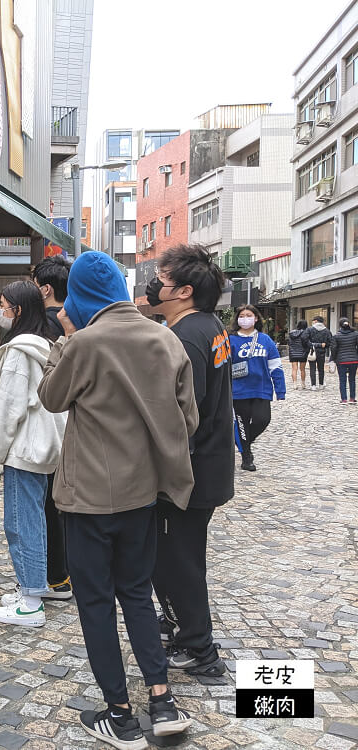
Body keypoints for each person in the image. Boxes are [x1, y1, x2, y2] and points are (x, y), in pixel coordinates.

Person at [38, 251, 197, 748]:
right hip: (143, 495)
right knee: (136, 593)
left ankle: (120, 715)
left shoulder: (84, 343)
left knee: (95, 602)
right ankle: (162, 699)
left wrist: (62, 342)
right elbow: (187, 419)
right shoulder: (165, 338)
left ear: (82, 295)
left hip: (88, 498)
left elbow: (51, 397)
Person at [146, 244, 233, 678]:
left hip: (190, 473)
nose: (153, 287)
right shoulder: (209, 326)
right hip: (207, 466)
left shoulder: (187, 338)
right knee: (174, 555)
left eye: (160, 281)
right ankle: (178, 625)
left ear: (182, 292)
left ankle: (200, 649)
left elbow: (183, 414)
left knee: (178, 559)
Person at [0, 281, 66, 627]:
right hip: (43, 447)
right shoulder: (44, 346)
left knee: (21, 522)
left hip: (23, 449)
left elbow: (7, 409)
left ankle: (30, 601)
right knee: (35, 519)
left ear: (17, 310)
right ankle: (31, 586)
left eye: (3, 305)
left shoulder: (18, 351)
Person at [30, 254, 73, 599]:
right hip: (70, 426)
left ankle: (56, 577)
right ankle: (64, 573)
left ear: (44, 289)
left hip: (47, 423)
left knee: (46, 505)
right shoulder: (75, 323)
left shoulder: (42, 326)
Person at [229, 304, 285, 472]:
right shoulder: (230, 339)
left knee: (262, 420)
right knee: (242, 424)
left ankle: (242, 442)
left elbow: (275, 366)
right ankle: (246, 456)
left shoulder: (265, 340)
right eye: (242, 315)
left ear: (256, 319)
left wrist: (280, 389)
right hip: (238, 390)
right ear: (237, 318)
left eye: (249, 315)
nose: (245, 318)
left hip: (261, 389)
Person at [331, 317, 358, 404]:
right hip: (353, 360)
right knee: (352, 379)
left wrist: (334, 358)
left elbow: (334, 348)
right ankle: (352, 398)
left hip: (341, 360)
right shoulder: (355, 334)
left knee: (342, 380)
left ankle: (344, 399)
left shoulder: (336, 336)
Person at [305, 315, 333, 390]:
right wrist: (322, 345)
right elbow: (330, 342)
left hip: (312, 352)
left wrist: (313, 345)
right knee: (321, 369)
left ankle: (313, 385)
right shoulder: (327, 331)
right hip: (322, 352)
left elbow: (305, 340)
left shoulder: (309, 329)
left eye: (313, 320)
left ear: (316, 321)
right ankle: (321, 384)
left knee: (312, 369)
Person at [287, 320, 309, 390]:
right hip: (302, 353)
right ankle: (303, 384)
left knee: (294, 369)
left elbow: (289, 343)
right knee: (302, 369)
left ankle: (295, 384)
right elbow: (307, 343)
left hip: (293, 353)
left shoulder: (291, 333)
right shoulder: (305, 333)